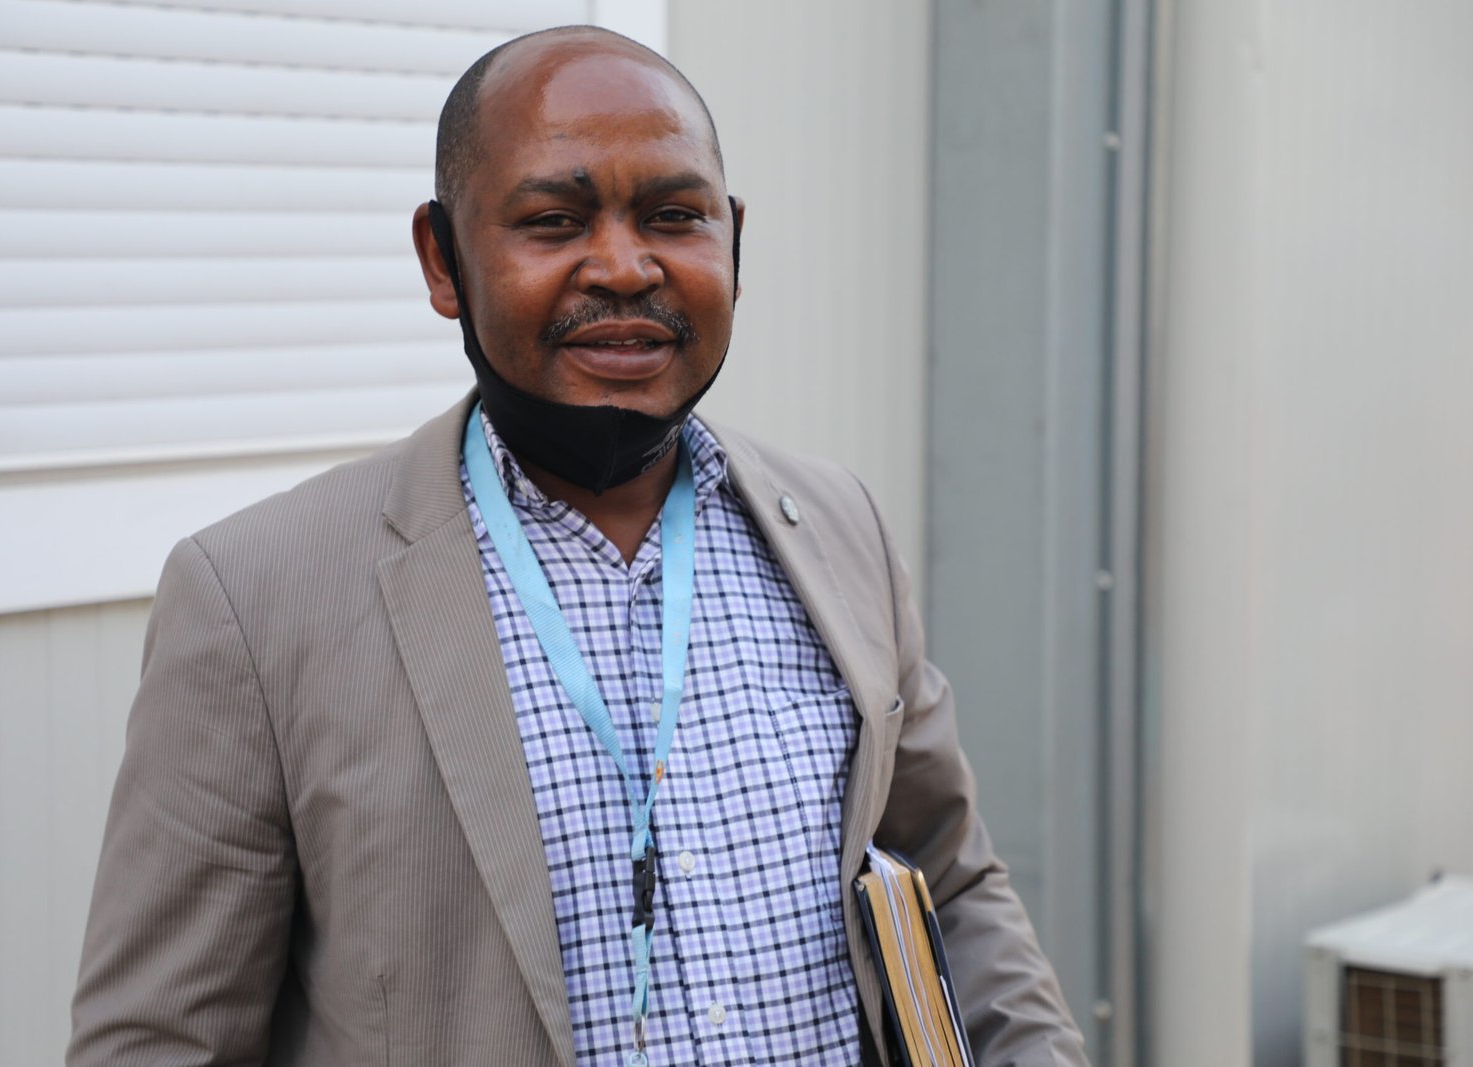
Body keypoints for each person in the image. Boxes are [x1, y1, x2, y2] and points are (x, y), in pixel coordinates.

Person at [68, 24, 1087, 1067]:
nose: (626, 267)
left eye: (674, 217)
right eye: (554, 221)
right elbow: (159, 1038)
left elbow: (949, 879)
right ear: (443, 259)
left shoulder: (838, 530)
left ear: (733, 242)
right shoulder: (258, 600)